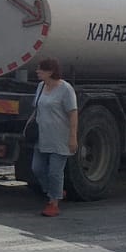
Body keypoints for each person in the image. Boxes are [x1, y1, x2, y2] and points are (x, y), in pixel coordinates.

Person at [30, 58, 78, 217]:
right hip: (42, 135)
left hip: (60, 137)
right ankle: (55, 191)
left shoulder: (66, 89)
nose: (37, 71)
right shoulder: (40, 86)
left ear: (50, 72)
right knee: (37, 168)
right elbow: (36, 108)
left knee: (55, 172)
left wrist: (73, 137)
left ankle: (53, 203)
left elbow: (73, 113)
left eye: (41, 69)